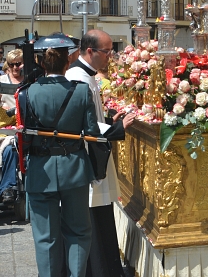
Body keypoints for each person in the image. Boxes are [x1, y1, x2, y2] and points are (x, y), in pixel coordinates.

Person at [24, 46, 101, 277]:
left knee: (46, 237)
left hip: (40, 170)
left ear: (41, 63)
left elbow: (25, 137)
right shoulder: (80, 91)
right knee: (78, 231)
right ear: (68, 62)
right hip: (73, 168)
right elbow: (91, 131)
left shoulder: (27, 92)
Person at [65, 30, 135, 277]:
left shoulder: (86, 75)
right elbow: (82, 126)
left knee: (101, 213)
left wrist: (108, 119)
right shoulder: (78, 78)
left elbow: (91, 118)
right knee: (94, 215)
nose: (110, 56)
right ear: (90, 51)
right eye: (106, 51)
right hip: (88, 157)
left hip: (95, 150)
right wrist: (117, 128)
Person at [0, 49, 24, 202]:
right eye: (12, 64)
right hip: (3, 125)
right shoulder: (2, 80)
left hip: (20, 126)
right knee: (8, 147)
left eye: (18, 64)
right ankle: (6, 187)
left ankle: (8, 187)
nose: (15, 67)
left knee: (11, 148)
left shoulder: (29, 81)